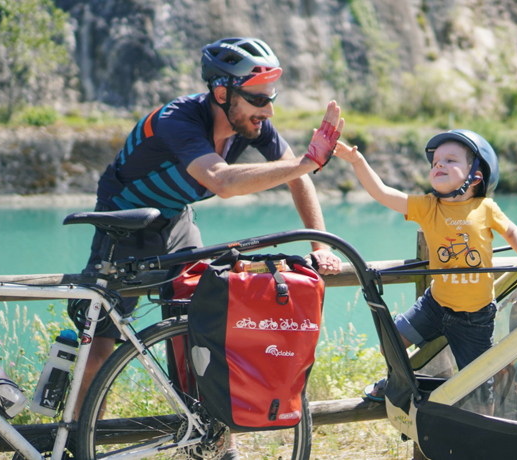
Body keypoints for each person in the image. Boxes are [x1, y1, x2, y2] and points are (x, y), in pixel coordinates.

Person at [76, 37, 344, 456]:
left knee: (208, 326)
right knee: (102, 340)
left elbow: (297, 177)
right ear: (222, 93)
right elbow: (223, 181)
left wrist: (319, 243)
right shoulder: (178, 120)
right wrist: (307, 161)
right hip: (122, 224)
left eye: (271, 97)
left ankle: (216, 443)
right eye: (258, 98)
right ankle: (78, 441)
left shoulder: (250, 124)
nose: (268, 110)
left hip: (176, 220)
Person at [333, 129, 517, 402]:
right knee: (391, 343)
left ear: (475, 176)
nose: (439, 165)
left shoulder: (486, 208)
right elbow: (383, 193)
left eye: (450, 160)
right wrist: (357, 161)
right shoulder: (427, 206)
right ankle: (400, 381)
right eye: (435, 163)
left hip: (474, 318)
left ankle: (485, 431)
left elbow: (512, 231)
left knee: (479, 386)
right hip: (435, 304)